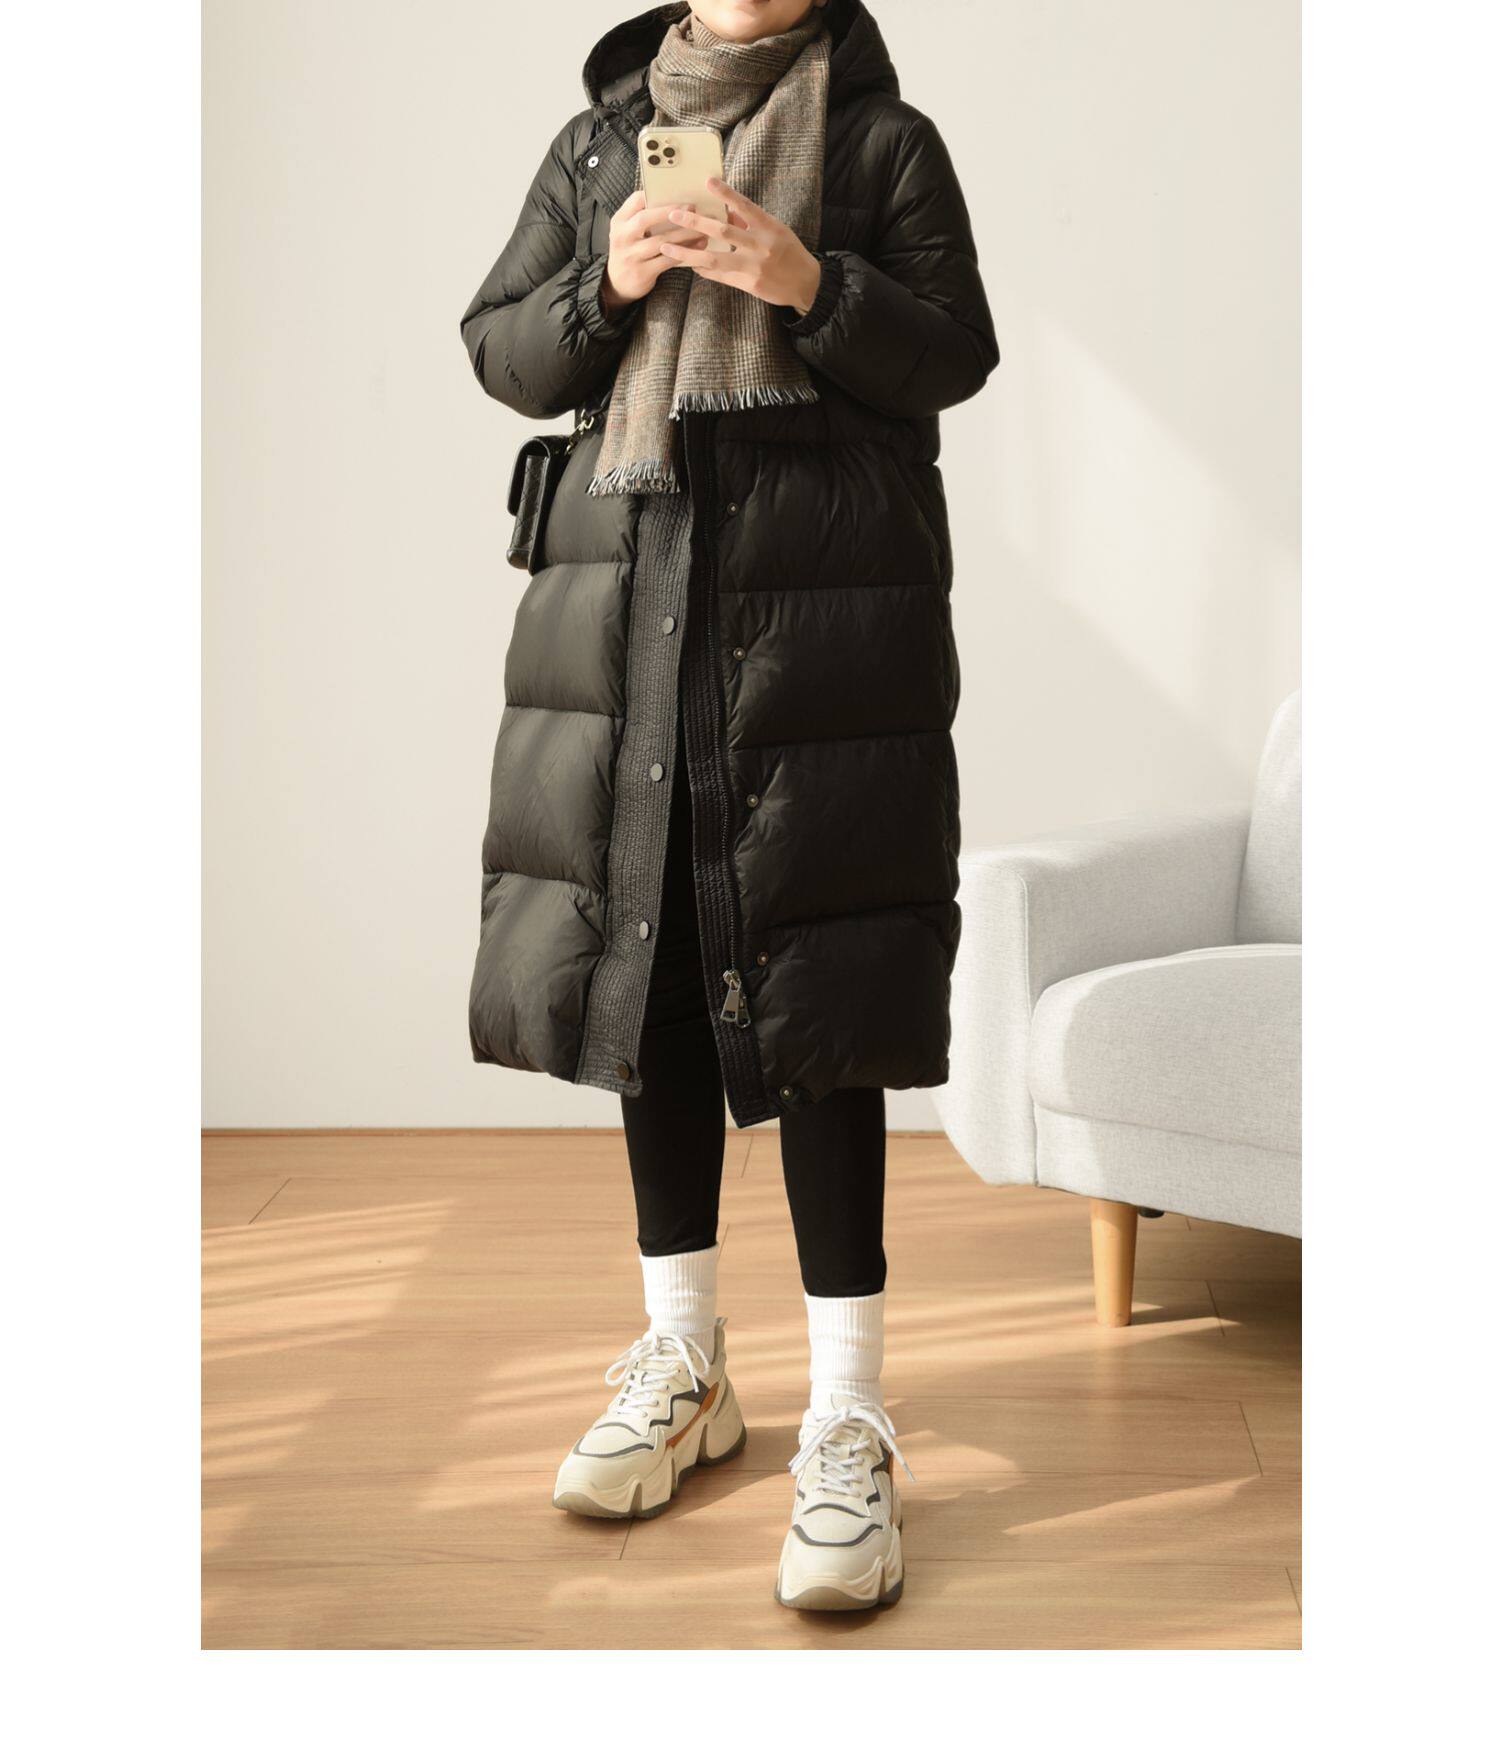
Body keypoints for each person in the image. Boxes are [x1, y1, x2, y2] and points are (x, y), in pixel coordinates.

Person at [460, 0, 996, 1612]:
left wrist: (808, 283)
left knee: (818, 984)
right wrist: (607, 282)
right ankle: (685, 1362)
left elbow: (955, 351)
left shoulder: (883, 143)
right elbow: (500, 348)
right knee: (654, 969)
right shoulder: (596, 147)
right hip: (627, 611)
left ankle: (848, 1413)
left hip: (820, 624)